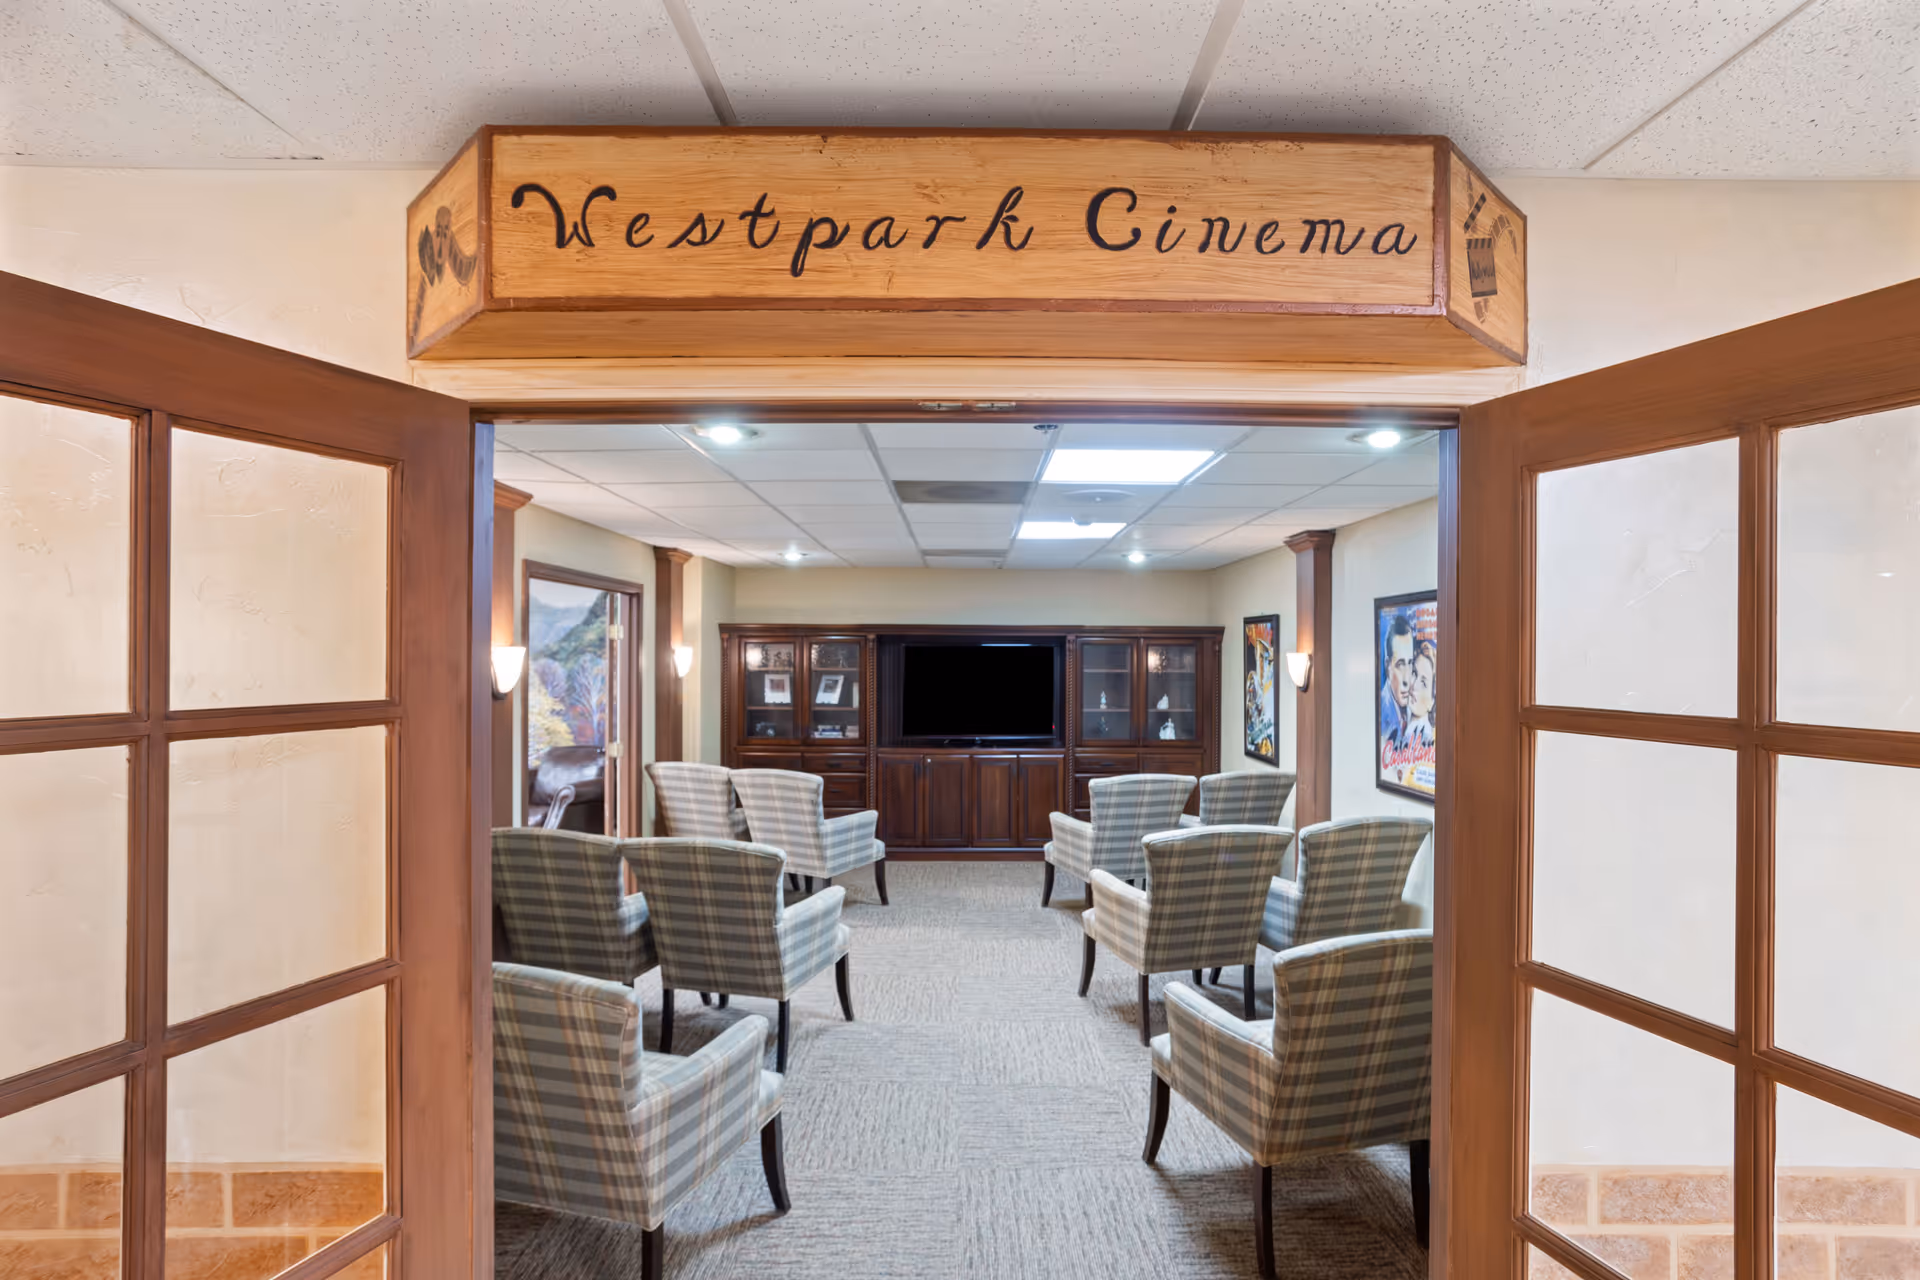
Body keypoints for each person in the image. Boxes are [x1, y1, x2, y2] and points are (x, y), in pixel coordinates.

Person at [1379, 612, 1416, 744]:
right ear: (1387, 666)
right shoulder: (1380, 713)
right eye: (1400, 664)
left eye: (1410, 663)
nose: (1407, 680)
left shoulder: (1416, 708)